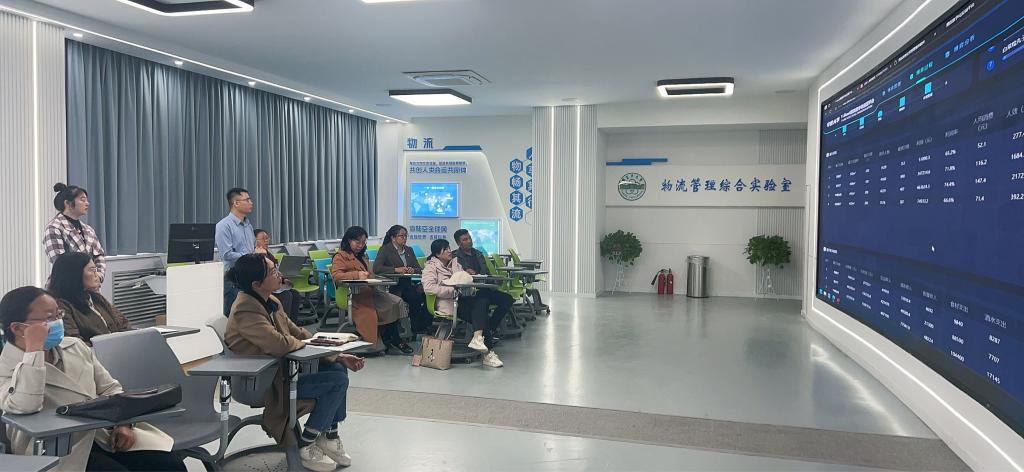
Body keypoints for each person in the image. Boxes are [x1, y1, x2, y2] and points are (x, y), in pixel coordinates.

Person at [0, 286, 186, 471]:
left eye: (58, 315)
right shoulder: (6, 366)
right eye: (49, 318)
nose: (57, 323)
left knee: (170, 465)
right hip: (56, 449)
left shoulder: (75, 346)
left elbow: (111, 388)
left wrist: (124, 424)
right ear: (18, 328)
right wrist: (34, 351)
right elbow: (26, 405)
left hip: (103, 434)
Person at [224, 254, 363, 471]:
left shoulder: (271, 301)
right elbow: (279, 343)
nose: (278, 273)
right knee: (337, 381)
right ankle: (307, 443)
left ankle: (330, 436)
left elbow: (297, 332)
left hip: (282, 373)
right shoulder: (245, 309)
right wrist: (303, 344)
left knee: (337, 368)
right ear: (256, 284)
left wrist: (336, 354)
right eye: (272, 271)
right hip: (263, 383)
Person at [421, 239, 504, 368]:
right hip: (448, 304)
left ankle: (478, 339)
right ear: (437, 254)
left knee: (482, 301)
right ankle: (487, 353)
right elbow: (429, 288)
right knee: (481, 315)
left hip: (462, 300)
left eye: (449, 248)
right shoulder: (431, 267)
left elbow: (464, 281)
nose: (450, 251)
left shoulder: (456, 264)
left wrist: (468, 289)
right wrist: (453, 291)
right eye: (445, 249)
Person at [331, 226, 412, 354]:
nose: (360, 245)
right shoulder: (340, 256)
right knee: (379, 309)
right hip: (355, 295)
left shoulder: (363, 256)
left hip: (370, 291)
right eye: (357, 242)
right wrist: (356, 275)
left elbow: (370, 274)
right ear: (349, 240)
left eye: (363, 242)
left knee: (395, 302)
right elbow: (337, 276)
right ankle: (392, 339)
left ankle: (389, 336)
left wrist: (376, 279)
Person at [47, 252, 132, 345]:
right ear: (75, 274)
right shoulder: (60, 306)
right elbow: (75, 345)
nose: (97, 275)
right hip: (94, 353)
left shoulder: (95, 297)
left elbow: (124, 324)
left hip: (118, 348)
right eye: (92, 270)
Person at [43, 183, 107, 283]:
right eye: (82, 200)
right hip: (65, 285)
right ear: (67, 203)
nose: (87, 203)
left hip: (90, 284)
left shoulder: (88, 229)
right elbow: (60, 262)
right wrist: (87, 279)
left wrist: (98, 276)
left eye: (86, 200)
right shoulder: (54, 228)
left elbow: (99, 256)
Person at [452, 229, 514, 332]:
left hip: (485, 289)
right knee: (483, 303)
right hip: (469, 293)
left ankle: (491, 326)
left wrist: (495, 280)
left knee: (507, 299)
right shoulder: (454, 257)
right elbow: (454, 276)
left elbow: (487, 274)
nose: (469, 241)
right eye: (465, 239)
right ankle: (485, 331)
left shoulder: (478, 254)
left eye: (470, 238)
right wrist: (464, 273)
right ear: (458, 243)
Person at [373, 225, 431, 333]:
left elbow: (419, 269)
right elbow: (377, 268)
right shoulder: (385, 250)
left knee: (426, 295)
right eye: (401, 236)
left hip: (408, 285)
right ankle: (415, 328)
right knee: (415, 298)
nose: (404, 238)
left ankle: (420, 326)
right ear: (393, 237)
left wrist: (413, 270)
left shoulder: (409, 250)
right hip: (393, 287)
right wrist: (396, 270)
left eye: (406, 236)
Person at [215, 187, 256, 315]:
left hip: (250, 276)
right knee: (233, 316)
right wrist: (251, 255)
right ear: (236, 203)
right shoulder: (224, 226)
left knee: (250, 315)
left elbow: (252, 248)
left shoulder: (248, 225)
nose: (251, 203)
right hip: (234, 278)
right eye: (247, 200)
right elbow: (227, 254)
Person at [254, 229, 303, 322]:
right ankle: (283, 324)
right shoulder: (254, 257)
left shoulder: (269, 255)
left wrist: (284, 280)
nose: (266, 241)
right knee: (287, 295)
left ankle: (292, 324)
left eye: (267, 238)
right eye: (263, 239)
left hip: (275, 286)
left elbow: (276, 270)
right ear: (254, 241)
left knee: (295, 294)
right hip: (265, 288)